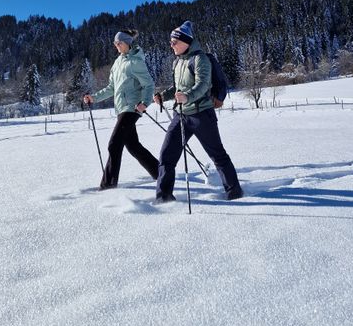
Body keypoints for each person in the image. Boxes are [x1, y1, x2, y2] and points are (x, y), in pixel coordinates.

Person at [153, 20, 243, 203]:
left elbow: (202, 85)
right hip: (181, 116)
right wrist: (164, 95)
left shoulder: (200, 59)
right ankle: (163, 197)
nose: (171, 45)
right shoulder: (177, 62)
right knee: (166, 155)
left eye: (174, 41)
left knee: (217, 155)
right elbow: (177, 87)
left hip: (202, 115)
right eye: (171, 41)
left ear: (186, 41)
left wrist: (187, 96)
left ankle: (234, 192)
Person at [83, 29, 159, 190]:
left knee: (114, 144)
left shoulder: (136, 61)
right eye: (115, 43)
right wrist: (94, 98)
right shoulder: (117, 63)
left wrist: (145, 103)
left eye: (119, 43)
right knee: (133, 146)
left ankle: (108, 186)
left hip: (131, 108)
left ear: (127, 43)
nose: (116, 45)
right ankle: (161, 172)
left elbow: (148, 84)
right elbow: (111, 87)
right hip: (121, 108)